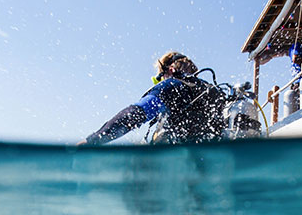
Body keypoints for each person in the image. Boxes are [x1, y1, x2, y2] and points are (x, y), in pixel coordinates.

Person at [79, 51, 225, 145]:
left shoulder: (172, 85)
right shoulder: (211, 91)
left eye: (159, 78)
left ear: (170, 70)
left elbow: (136, 113)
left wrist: (92, 141)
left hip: (181, 170)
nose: (160, 83)